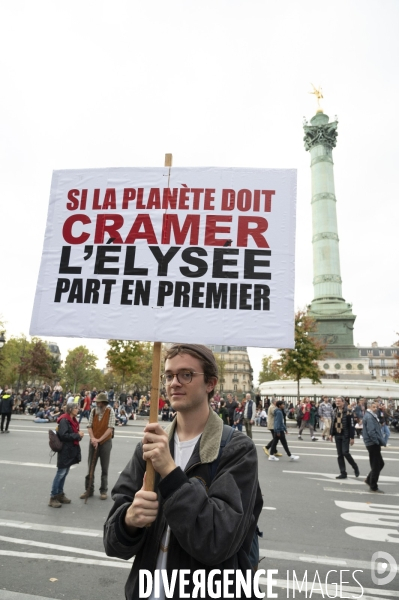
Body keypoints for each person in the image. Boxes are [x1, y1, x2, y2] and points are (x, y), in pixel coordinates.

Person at [104, 343, 262, 600]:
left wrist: (169, 470)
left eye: (186, 374)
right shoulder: (149, 446)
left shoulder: (237, 449)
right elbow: (112, 542)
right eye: (168, 375)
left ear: (211, 383)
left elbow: (217, 541)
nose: (174, 382)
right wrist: (129, 520)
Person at [80, 392, 115, 501]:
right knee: (91, 466)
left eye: (98, 403)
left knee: (104, 468)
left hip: (105, 442)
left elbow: (110, 428)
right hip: (94, 441)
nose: (96, 404)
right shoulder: (93, 411)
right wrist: (93, 439)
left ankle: (103, 490)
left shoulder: (110, 412)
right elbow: (89, 426)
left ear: (103, 403)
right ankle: (89, 489)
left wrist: (99, 440)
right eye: (96, 402)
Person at [49, 401, 84, 508]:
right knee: (60, 473)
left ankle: (60, 494)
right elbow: (64, 436)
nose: (77, 409)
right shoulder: (64, 420)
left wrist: (78, 436)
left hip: (70, 450)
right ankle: (53, 497)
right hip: (65, 451)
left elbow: (70, 434)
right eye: (75, 408)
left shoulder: (72, 420)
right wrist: (77, 435)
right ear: (70, 410)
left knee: (64, 473)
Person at [330, 396, 360, 480]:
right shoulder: (334, 411)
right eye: (336, 401)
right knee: (340, 454)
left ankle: (355, 466)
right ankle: (343, 472)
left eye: (339, 401)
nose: (337, 403)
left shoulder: (348, 412)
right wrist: (331, 434)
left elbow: (351, 425)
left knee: (345, 452)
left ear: (343, 402)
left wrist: (352, 437)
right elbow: (333, 423)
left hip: (345, 435)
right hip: (337, 434)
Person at [363, 400, 386, 493]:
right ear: (369, 407)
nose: (376, 409)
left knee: (380, 463)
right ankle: (373, 486)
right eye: (373, 407)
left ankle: (369, 479)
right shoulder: (369, 417)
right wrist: (376, 442)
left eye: (376, 407)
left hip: (373, 443)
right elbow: (371, 431)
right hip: (372, 444)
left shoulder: (371, 415)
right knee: (376, 465)